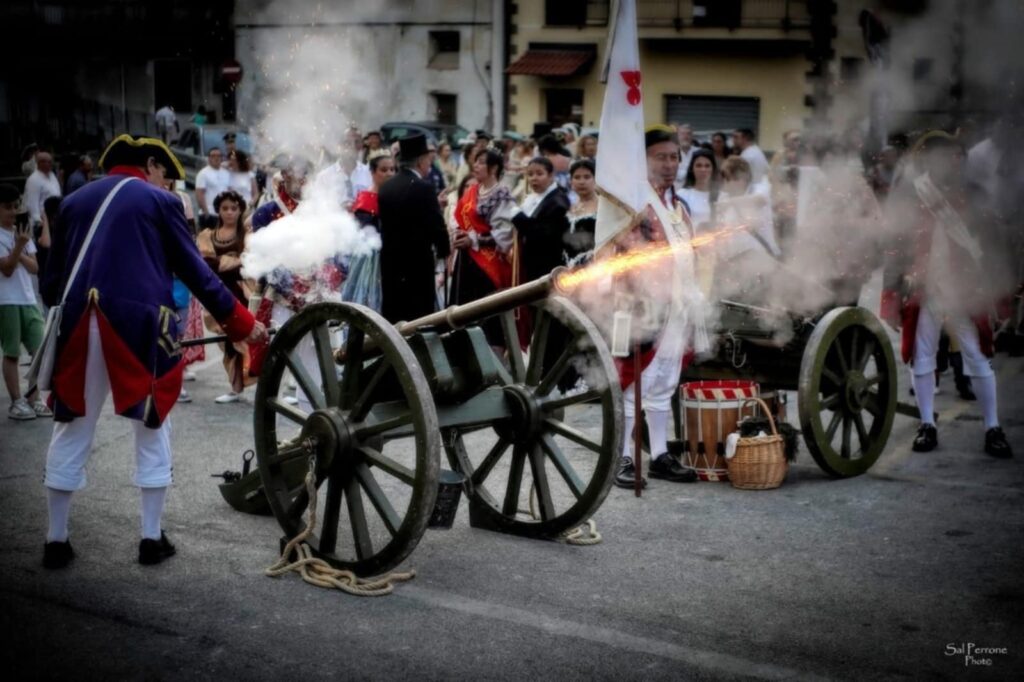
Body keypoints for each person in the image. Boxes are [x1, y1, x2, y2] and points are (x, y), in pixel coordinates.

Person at [39, 134, 267, 570]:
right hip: (137, 325)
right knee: (151, 424)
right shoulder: (159, 203)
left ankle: (56, 539)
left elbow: (52, 283)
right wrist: (241, 322)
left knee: (72, 427)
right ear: (149, 165)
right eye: (165, 173)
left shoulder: (73, 201)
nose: (167, 184)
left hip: (74, 323)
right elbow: (196, 273)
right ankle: (149, 537)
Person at [880, 131, 1012, 458]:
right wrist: (892, 292)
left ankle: (992, 427)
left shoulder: (973, 194)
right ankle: (927, 424)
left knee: (978, 357)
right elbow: (896, 246)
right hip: (922, 288)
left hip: (964, 287)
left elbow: (994, 245)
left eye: (956, 157)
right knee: (921, 358)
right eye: (947, 156)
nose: (954, 162)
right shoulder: (912, 194)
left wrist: (1000, 290)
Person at [613, 126, 704, 488]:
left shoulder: (678, 207)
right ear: (645, 161)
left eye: (673, 157)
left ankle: (660, 454)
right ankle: (622, 456)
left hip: (677, 305)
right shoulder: (634, 203)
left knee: (665, 382)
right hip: (639, 306)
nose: (669, 165)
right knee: (635, 382)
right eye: (660, 157)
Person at [379, 134, 451, 323]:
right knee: (418, 320)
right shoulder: (423, 188)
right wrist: (445, 249)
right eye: (428, 158)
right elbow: (437, 226)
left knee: (395, 320)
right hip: (416, 266)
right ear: (420, 160)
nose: (430, 162)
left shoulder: (386, 187)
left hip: (391, 266)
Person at [450, 148, 518, 347]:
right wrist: (460, 234)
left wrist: (474, 240)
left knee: (487, 317)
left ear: (494, 167)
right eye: (475, 162)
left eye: (481, 162)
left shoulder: (502, 195)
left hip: (488, 264)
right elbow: (459, 218)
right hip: (466, 261)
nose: (476, 166)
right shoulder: (473, 191)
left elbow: (504, 234)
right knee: (463, 311)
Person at [197, 190, 256, 403]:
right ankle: (235, 387)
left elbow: (249, 262)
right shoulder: (208, 236)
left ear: (240, 210)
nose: (230, 212)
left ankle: (263, 382)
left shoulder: (247, 236)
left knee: (251, 339)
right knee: (228, 343)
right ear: (218, 211)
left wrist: (225, 263)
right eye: (225, 208)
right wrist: (235, 261)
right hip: (219, 294)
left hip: (244, 293)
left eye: (234, 208)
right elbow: (208, 265)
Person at [0, 184, 51, 420]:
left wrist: (19, 247)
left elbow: (34, 267)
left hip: (28, 298)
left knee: (38, 350)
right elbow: (7, 269)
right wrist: (19, 246)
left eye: (15, 206)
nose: (12, 212)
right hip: (6, 300)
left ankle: (34, 397)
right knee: (12, 352)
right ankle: (17, 401)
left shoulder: (21, 231)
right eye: (7, 207)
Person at [342, 153, 396, 313]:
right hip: (370, 261)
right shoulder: (366, 199)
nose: (389, 174)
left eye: (392, 169)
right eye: (384, 170)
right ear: (372, 172)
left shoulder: (393, 195)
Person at [565, 159, 597, 265]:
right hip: (570, 269)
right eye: (577, 177)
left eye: (587, 177)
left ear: (595, 179)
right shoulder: (570, 207)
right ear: (571, 181)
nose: (581, 182)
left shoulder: (603, 206)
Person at [679, 149, 719, 233]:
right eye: (699, 165)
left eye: (707, 166)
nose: (703, 170)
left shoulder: (722, 196)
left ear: (713, 169)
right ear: (692, 169)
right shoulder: (681, 195)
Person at [23, 151, 62, 234]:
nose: (50, 164)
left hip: (54, 218)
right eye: (47, 162)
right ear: (39, 163)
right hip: (42, 222)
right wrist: (39, 222)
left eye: (51, 162)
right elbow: (32, 204)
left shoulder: (52, 175)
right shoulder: (33, 180)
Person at [195, 147, 230, 229]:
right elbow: (200, 194)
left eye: (218, 156)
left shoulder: (226, 173)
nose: (216, 158)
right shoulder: (203, 173)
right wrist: (206, 212)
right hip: (209, 214)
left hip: (223, 215)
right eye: (213, 156)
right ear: (209, 158)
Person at [673, 123, 696, 190]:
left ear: (692, 136)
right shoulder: (671, 152)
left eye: (688, 134)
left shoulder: (698, 152)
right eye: (682, 134)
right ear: (677, 136)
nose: (685, 137)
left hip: (693, 193)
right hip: (675, 193)